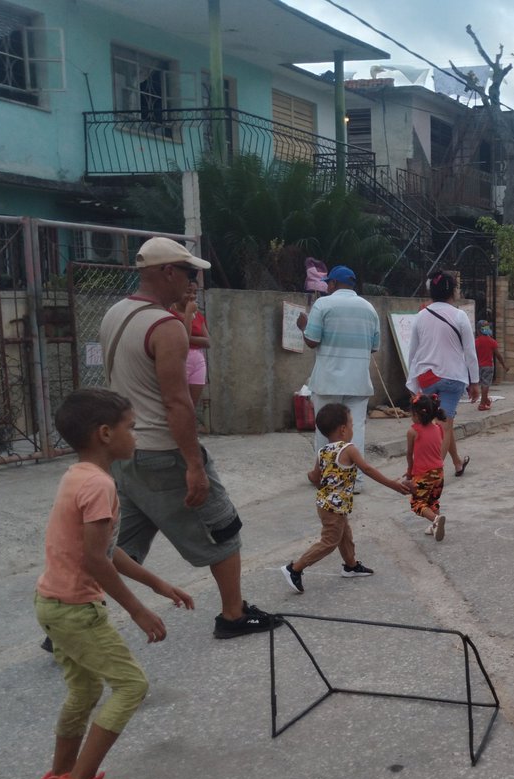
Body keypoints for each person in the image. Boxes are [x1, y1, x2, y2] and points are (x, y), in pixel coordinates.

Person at [99, 237, 278, 639]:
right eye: (188, 273)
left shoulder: (116, 313)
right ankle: (233, 615)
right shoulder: (166, 327)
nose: (191, 281)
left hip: (125, 453)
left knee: (117, 545)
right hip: (164, 453)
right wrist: (194, 465)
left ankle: (69, 615)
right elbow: (178, 404)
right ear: (167, 272)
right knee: (223, 526)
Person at [32, 388, 194, 779]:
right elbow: (95, 560)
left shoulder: (78, 475)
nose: (135, 436)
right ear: (105, 434)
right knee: (131, 686)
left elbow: (106, 548)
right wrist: (139, 611)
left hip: (51, 602)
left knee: (84, 693)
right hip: (77, 611)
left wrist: (157, 582)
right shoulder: (101, 485)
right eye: (131, 428)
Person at [280, 403, 410, 594]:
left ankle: (351, 565)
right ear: (343, 429)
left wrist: (327, 491)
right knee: (329, 541)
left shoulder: (323, 451)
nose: (352, 429)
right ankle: (295, 568)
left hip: (326, 504)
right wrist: (393, 484)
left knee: (344, 535)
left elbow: (315, 477)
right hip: (334, 506)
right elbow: (367, 469)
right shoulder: (349, 449)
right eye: (351, 424)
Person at [296, 264, 381, 490]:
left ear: (332, 284)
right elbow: (373, 347)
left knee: (325, 430)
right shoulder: (369, 308)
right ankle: (355, 481)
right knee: (355, 431)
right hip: (359, 381)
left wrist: (303, 327)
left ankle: (327, 478)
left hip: (328, 379)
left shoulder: (323, 304)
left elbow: (312, 341)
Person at [405, 270, 479, 477]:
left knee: (442, 423)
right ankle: (431, 474)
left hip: (426, 377)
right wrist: (475, 382)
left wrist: (413, 382)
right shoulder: (460, 316)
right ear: (453, 292)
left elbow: (413, 352)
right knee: (445, 426)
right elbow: (469, 352)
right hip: (453, 377)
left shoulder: (420, 316)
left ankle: (456, 462)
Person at [405, 393, 453, 541]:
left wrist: (409, 472)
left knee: (417, 503)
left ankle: (435, 520)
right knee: (433, 501)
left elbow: (409, 454)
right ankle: (435, 525)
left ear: (417, 415)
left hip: (423, 474)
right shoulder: (438, 428)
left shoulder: (413, 431)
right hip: (439, 472)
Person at [169, 278, 210, 409]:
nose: (192, 296)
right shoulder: (170, 314)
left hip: (198, 360)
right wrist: (187, 314)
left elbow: (208, 341)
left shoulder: (197, 315)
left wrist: (186, 337)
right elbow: (183, 341)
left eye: (195, 292)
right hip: (180, 359)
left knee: (192, 405)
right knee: (180, 404)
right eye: (188, 292)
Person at [475, 319, 508, 411]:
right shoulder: (492, 341)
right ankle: (482, 404)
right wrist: (504, 365)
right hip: (488, 366)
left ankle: (485, 400)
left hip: (478, 366)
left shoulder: (475, 342)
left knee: (481, 384)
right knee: (485, 385)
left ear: (478, 330)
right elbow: (498, 355)